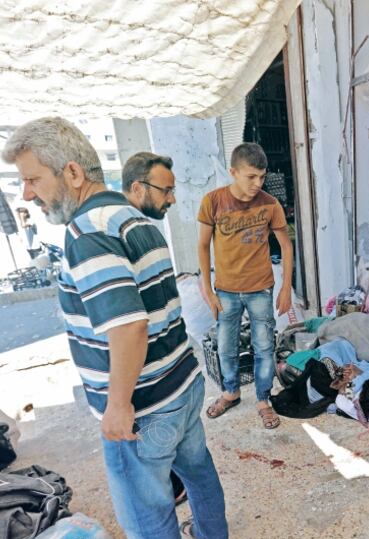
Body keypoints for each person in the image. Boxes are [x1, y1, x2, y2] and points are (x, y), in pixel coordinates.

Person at [2, 117, 228, 539]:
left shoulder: (85, 234)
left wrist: (117, 404)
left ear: (74, 171)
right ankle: (213, 533)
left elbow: (128, 328)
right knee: (196, 467)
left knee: (143, 510)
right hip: (183, 381)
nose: (28, 193)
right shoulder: (133, 216)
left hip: (145, 403)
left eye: (33, 179)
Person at [197, 142, 294, 430]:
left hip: (261, 289)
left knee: (264, 347)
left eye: (261, 177)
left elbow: (286, 246)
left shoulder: (269, 204)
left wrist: (286, 288)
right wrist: (207, 289)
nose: (257, 184)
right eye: (251, 177)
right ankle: (230, 392)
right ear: (233, 172)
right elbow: (202, 246)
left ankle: (263, 399)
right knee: (225, 347)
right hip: (226, 289)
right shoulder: (213, 201)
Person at [122, 151, 187, 505]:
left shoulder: (144, 232)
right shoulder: (126, 235)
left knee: (155, 474)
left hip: (160, 380)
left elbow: (137, 324)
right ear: (137, 188)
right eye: (166, 191)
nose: (172, 199)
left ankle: (174, 492)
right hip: (165, 375)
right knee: (189, 461)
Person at [122, 152, 176, 221]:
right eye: (166, 191)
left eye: (172, 191)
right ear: (137, 189)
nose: (173, 200)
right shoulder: (127, 228)